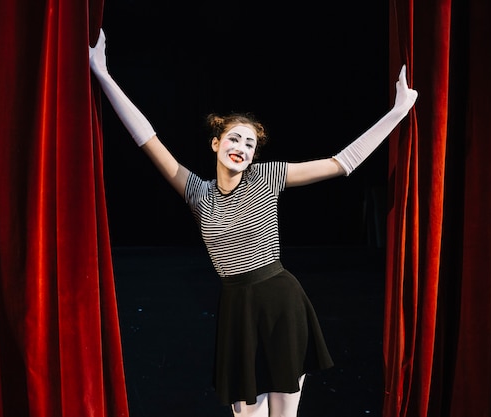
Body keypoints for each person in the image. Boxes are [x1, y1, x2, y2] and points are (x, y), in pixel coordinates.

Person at [89, 28, 418, 417]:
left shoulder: (267, 177)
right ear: (216, 143)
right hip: (237, 310)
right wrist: (103, 75)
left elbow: (339, 164)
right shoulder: (197, 192)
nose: (242, 148)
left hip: (280, 301)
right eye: (235, 138)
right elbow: (146, 138)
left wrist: (397, 113)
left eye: (249, 144)